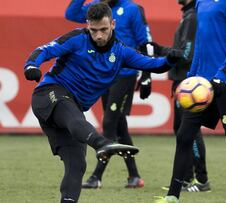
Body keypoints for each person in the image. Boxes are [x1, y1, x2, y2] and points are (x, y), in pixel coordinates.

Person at [24, 3, 181, 203]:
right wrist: (31, 66)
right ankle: (103, 143)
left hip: (71, 110)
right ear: (88, 25)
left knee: (77, 164)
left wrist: (170, 61)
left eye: (104, 30)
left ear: (113, 24)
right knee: (73, 116)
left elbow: (152, 64)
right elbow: (44, 50)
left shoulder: (122, 52)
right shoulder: (77, 38)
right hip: (49, 94)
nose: (98, 35)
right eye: (94, 30)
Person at [154, 0, 226, 202]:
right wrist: (190, 78)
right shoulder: (201, 1)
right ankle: (172, 196)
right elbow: (200, 44)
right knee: (184, 136)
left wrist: (223, 74)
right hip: (200, 86)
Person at [65, 0, 153, 189]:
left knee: (109, 122)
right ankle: (134, 176)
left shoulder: (132, 9)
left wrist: (146, 75)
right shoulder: (97, 8)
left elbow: (145, 41)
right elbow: (71, 14)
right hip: (102, 74)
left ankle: (96, 176)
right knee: (119, 125)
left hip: (124, 75)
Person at [152, 0, 210, 193]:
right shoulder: (189, 15)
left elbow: (186, 54)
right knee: (181, 129)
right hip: (183, 82)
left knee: (189, 130)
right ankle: (186, 178)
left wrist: (161, 50)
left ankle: (202, 181)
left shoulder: (192, 17)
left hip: (188, 84)